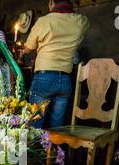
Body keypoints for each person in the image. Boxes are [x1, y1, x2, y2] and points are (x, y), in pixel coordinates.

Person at [19, 0, 90, 128]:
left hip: (44, 78)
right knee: (57, 125)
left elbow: (29, 48)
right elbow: (84, 23)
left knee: (35, 123)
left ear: (51, 2)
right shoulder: (80, 21)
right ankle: (54, 148)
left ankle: (35, 148)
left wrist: (23, 50)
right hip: (65, 80)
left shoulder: (44, 21)